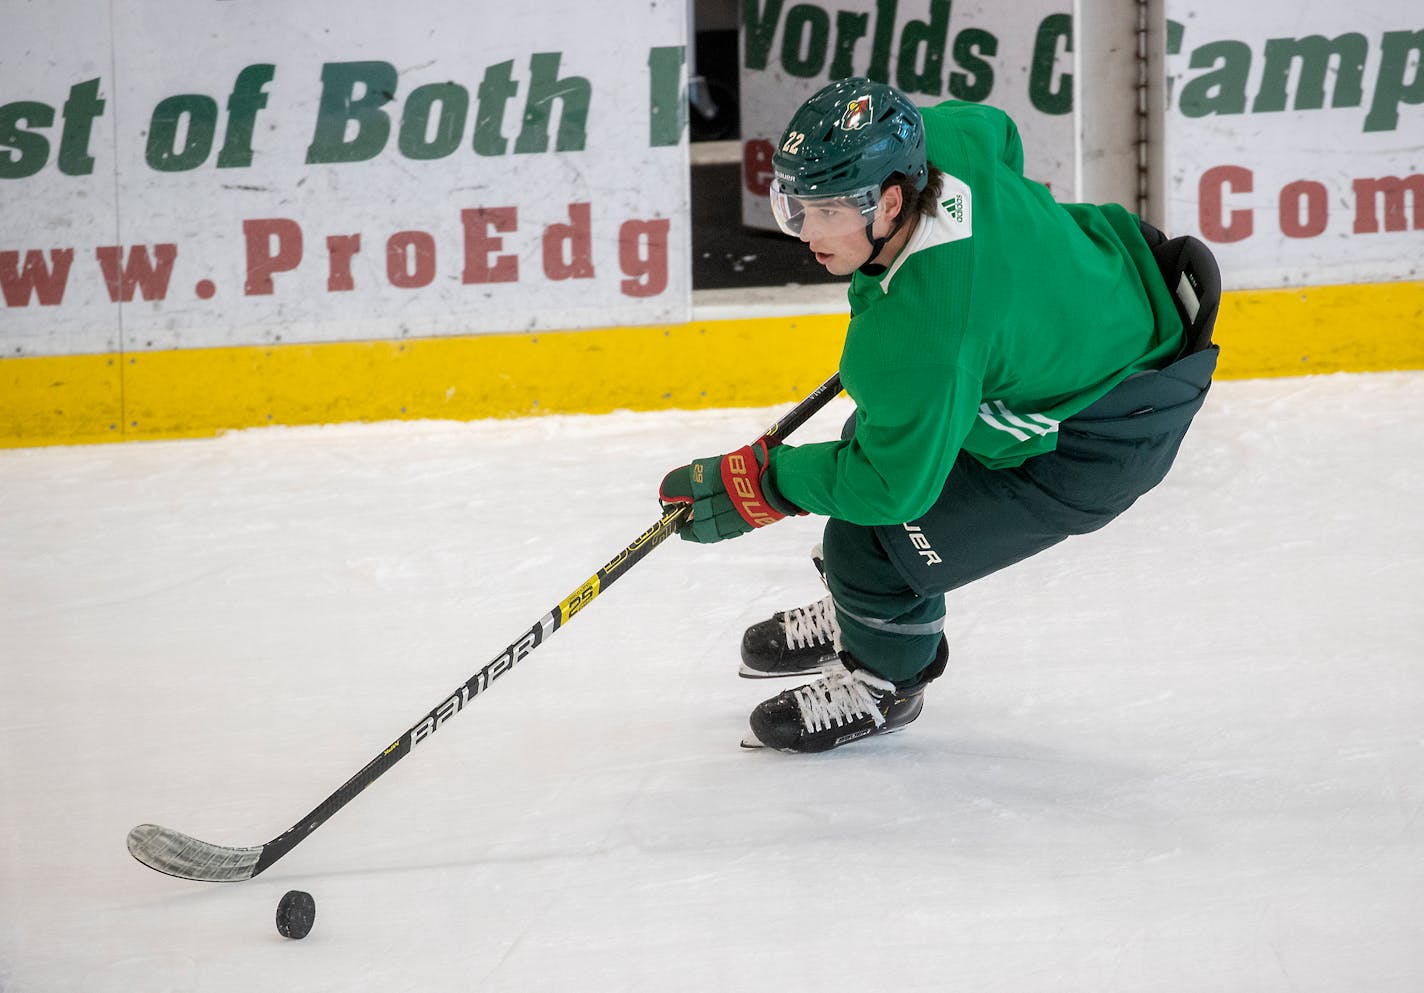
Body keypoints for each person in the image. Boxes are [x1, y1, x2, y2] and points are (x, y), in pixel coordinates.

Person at [659, 78, 1221, 753]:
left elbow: (895, 489)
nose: (807, 232)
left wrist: (768, 484)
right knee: (880, 431)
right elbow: (997, 133)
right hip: (1121, 294)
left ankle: (882, 682)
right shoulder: (939, 143)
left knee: (870, 543)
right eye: (797, 206)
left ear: (891, 200)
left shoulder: (925, 340)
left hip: (1101, 435)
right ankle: (858, 611)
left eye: (828, 211)